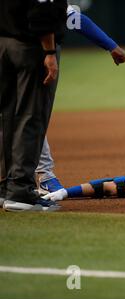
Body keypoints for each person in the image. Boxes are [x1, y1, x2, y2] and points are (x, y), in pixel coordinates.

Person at [37, 4, 125, 195]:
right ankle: (42, 175)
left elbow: (73, 17)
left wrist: (110, 45)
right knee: (32, 114)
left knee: (14, 115)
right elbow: (74, 19)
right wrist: (111, 45)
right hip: (32, 52)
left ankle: (21, 179)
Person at [0, 0, 67, 212]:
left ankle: (5, 189)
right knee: (31, 118)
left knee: (7, 118)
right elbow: (42, 7)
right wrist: (49, 51)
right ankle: (20, 192)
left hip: (3, 43)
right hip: (30, 47)